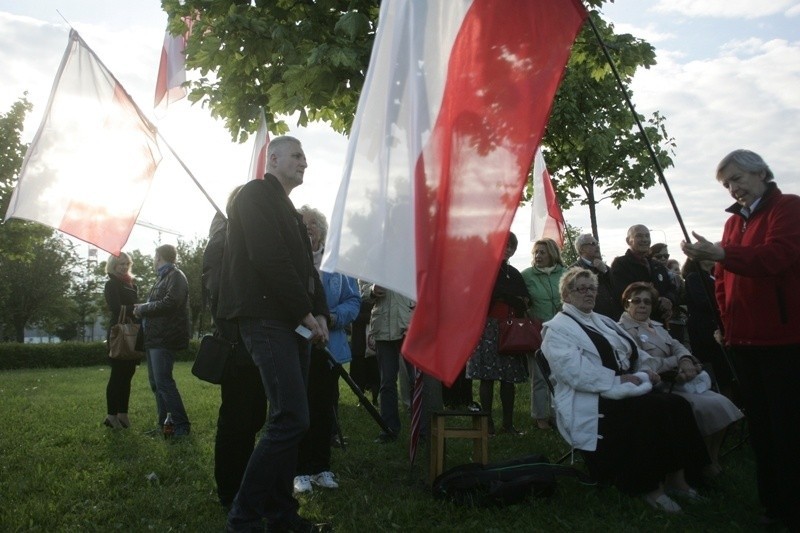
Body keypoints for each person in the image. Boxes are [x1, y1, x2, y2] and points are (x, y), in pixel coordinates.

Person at [216, 136, 330, 533]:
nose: (305, 162)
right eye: (298, 155)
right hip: (266, 319)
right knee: (291, 417)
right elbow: (269, 258)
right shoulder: (254, 196)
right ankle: (243, 519)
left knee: (292, 417)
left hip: (293, 323)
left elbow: (306, 270)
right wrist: (304, 311)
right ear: (274, 158)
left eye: (305, 155)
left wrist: (320, 313)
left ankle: (283, 517)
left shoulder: (291, 212)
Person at [682, 149, 800, 529]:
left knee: (788, 428)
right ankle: (773, 507)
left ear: (761, 172)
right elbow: (724, 280)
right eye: (727, 184)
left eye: (738, 179)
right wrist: (726, 323)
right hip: (744, 341)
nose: (733, 189)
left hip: (784, 340)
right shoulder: (734, 223)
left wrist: (721, 252)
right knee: (762, 429)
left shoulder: (789, 208)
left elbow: (775, 258)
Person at [541, 267, 710, 513]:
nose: (589, 293)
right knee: (650, 410)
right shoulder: (557, 330)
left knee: (678, 405)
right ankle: (649, 487)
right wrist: (618, 380)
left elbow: (633, 352)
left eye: (593, 288)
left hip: (627, 387)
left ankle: (679, 480)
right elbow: (573, 371)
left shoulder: (603, 321)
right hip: (592, 396)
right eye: (582, 288)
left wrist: (648, 369)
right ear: (566, 295)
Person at [618, 281, 743, 475]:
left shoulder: (657, 326)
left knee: (722, 402)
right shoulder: (622, 331)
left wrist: (685, 358)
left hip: (681, 381)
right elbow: (645, 364)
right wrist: (678, 361)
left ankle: (711, 457)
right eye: (636, 301)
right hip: (659, 386)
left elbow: (678, 346)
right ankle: (700, 462)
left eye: (648, 302)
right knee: (707, 407)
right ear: (627, 304)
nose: (642, 305)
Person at [203, 186, 267, 510]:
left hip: (258, 345)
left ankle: (245, 482)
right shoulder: (222, 243)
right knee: (236, 422)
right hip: (238, 344)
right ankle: (230, 492)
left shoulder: (249, 239)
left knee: (255, 417)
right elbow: (218, 294)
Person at [293, 205, 360, 494]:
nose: (307, 229)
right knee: (299, 407)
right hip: (297, 345)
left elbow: (353, 301)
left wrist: (332, 318)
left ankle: (322, 467)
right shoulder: (290, 259)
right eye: (301, 225)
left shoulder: (339, 263)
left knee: (324, 407)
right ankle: (300, 471)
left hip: (329, 347)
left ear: (321, 230)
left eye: (312, 225)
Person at [465, 232, 529, 435]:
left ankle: (508, 425)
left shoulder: (514, 273)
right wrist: (506, 296)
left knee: (508, 378)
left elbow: (525, 300)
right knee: (487, 377)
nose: (507, 249)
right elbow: (479, 297)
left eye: (511, 246)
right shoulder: (483, 269)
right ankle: (488, 424)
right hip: (487, 328)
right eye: (504, 245)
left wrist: (505, 296)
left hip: (508, 329)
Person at [133, 244, 191, 436]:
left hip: (165, 337)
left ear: (159, 258)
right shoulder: (162, 278)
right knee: (156, 384)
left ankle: (181, 426)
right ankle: (164, 425)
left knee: (164, 383)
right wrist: (144, 309)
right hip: (154, 338)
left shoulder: (176, 276)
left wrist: (143, 308)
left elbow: (171, 302)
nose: (153, 260)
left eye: (154, 257)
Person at [521, 238, 565, 429]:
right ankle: (541, 417)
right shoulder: (526, 275)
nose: (537, 256)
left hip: (562, 331)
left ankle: (560, 416)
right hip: (537, 331)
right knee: (539, 375)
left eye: (542, 252)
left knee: (561, 374)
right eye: (535, 253)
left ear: (552, 254)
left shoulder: (566, 273)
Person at [362, 283, 415, 443]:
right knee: (387, 381)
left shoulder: (411, 257)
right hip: (383, 327)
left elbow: (423, 285)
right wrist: (372, 290)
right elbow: (362, 289)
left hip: (409, 325)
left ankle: (422, 430)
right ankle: (388, 429)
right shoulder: (372, 258)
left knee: (416, 381)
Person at [681, 258, 735, 398]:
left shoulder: (712, 276)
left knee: (724, 368)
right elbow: (703, 301)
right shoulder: (694, 277)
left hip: (716, 327)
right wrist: (726, 302)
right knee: (716, 368)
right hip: (705, 330)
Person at [102, 252, 139, 430]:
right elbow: (116, 308)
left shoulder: (132, 284)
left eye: (126, 263)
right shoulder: (111, 284)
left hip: (133, 333)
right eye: (120, 264)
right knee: (117, 375)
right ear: (113, 266)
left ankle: (123, 414)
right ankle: (111, 415)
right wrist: (138, 308)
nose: (123, 267)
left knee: (128, 374)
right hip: (118, 333)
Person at [611, 225, 677, 323]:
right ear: (628, 240)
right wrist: (657, 300)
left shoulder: (657, 265)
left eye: (647, 236)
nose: (645, 239)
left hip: (659, 324)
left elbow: (671, 287)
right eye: (639, 236)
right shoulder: (620, 264)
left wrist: (668, 300)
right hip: (634, 324)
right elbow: (624, 293)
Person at [569, 234, 617, 318]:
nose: (597, 247)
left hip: (612, 317)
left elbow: (617, 286)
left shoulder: (605, 268)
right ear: (582, 248)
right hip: (590, 318)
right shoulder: (574, 271)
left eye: (597, 243)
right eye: (593, 244)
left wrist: (605, 272)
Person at [649, 244, 688, 344]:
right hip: (660, 319)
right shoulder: (650, 273)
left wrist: (671, 298)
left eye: (666, 256)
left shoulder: (675, 277)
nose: (663, 258)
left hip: (676, 317)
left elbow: (682, 296)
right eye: (659, 256)